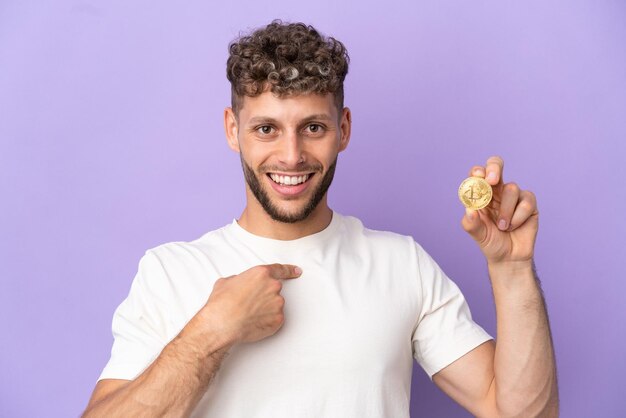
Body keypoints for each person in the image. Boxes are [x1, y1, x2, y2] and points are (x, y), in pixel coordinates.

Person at [82, 20, 558, 417]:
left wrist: (511, 270)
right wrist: (210, 331)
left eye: (313, 127)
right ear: (233, 130)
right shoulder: (170, 273)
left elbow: (520, 412)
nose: (291, 156)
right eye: (266, 128)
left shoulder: (400, 263)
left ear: (343, 130)